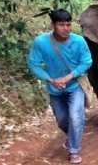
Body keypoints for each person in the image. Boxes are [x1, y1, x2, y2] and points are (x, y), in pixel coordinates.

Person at [27, 9, 92, 164]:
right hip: (54, 89)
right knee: (62, 120)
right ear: (53, 25)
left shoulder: (79, 41)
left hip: (75, 85)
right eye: (61, 25)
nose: (66, 28)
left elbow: (87, 61)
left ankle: (73, 150)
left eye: (68, 24)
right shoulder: (41, 42)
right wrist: (50, 79)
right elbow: (33, 64)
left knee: (76, 117)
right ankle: (72, 137)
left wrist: (68, 77)